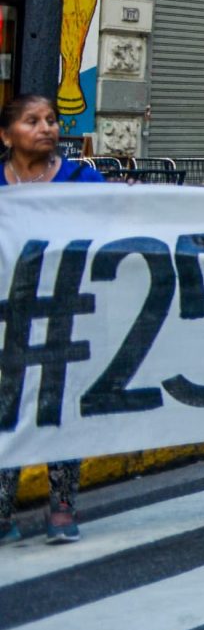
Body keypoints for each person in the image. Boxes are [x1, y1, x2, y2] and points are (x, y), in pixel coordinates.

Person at [0, 92, 104, 543]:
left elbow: (125, 224)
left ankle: (62, 504)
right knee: (6, 409)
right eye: (31, 120)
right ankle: (2, 509)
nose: (45, 127)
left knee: (61, 404)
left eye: (51, 120)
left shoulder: (82, 178)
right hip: (7, 316)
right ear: (6, 135)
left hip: (66, 309)